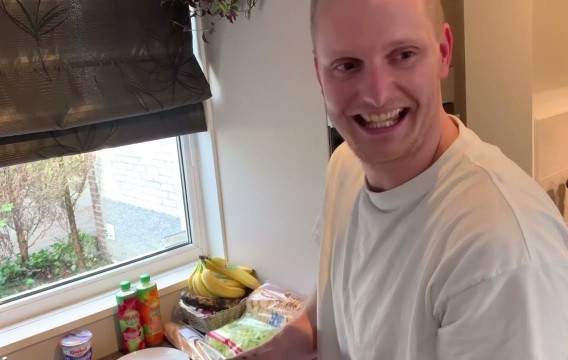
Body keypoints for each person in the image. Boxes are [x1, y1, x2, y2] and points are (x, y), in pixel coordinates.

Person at [233, 0, 568, 359]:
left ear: (443, 52)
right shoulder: (346, 166)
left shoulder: (500, 254)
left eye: (403, 54)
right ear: (320, 74)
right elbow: (330, 316)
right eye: (347, 65)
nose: (377, 94)